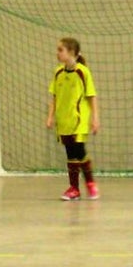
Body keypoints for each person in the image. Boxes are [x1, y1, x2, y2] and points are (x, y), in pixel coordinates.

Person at [46, 37, 100, 201]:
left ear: (71, 52)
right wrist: (50, 117)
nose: (57, 53)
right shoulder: (58, 73)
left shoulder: (82, 72)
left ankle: (89, 183)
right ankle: (74, 189)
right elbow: (54, 97)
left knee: (79, 150)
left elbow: (91, 96)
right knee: (70, 154)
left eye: (60, 50)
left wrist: (95, 118)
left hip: (79, 120)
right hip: (64, 121)